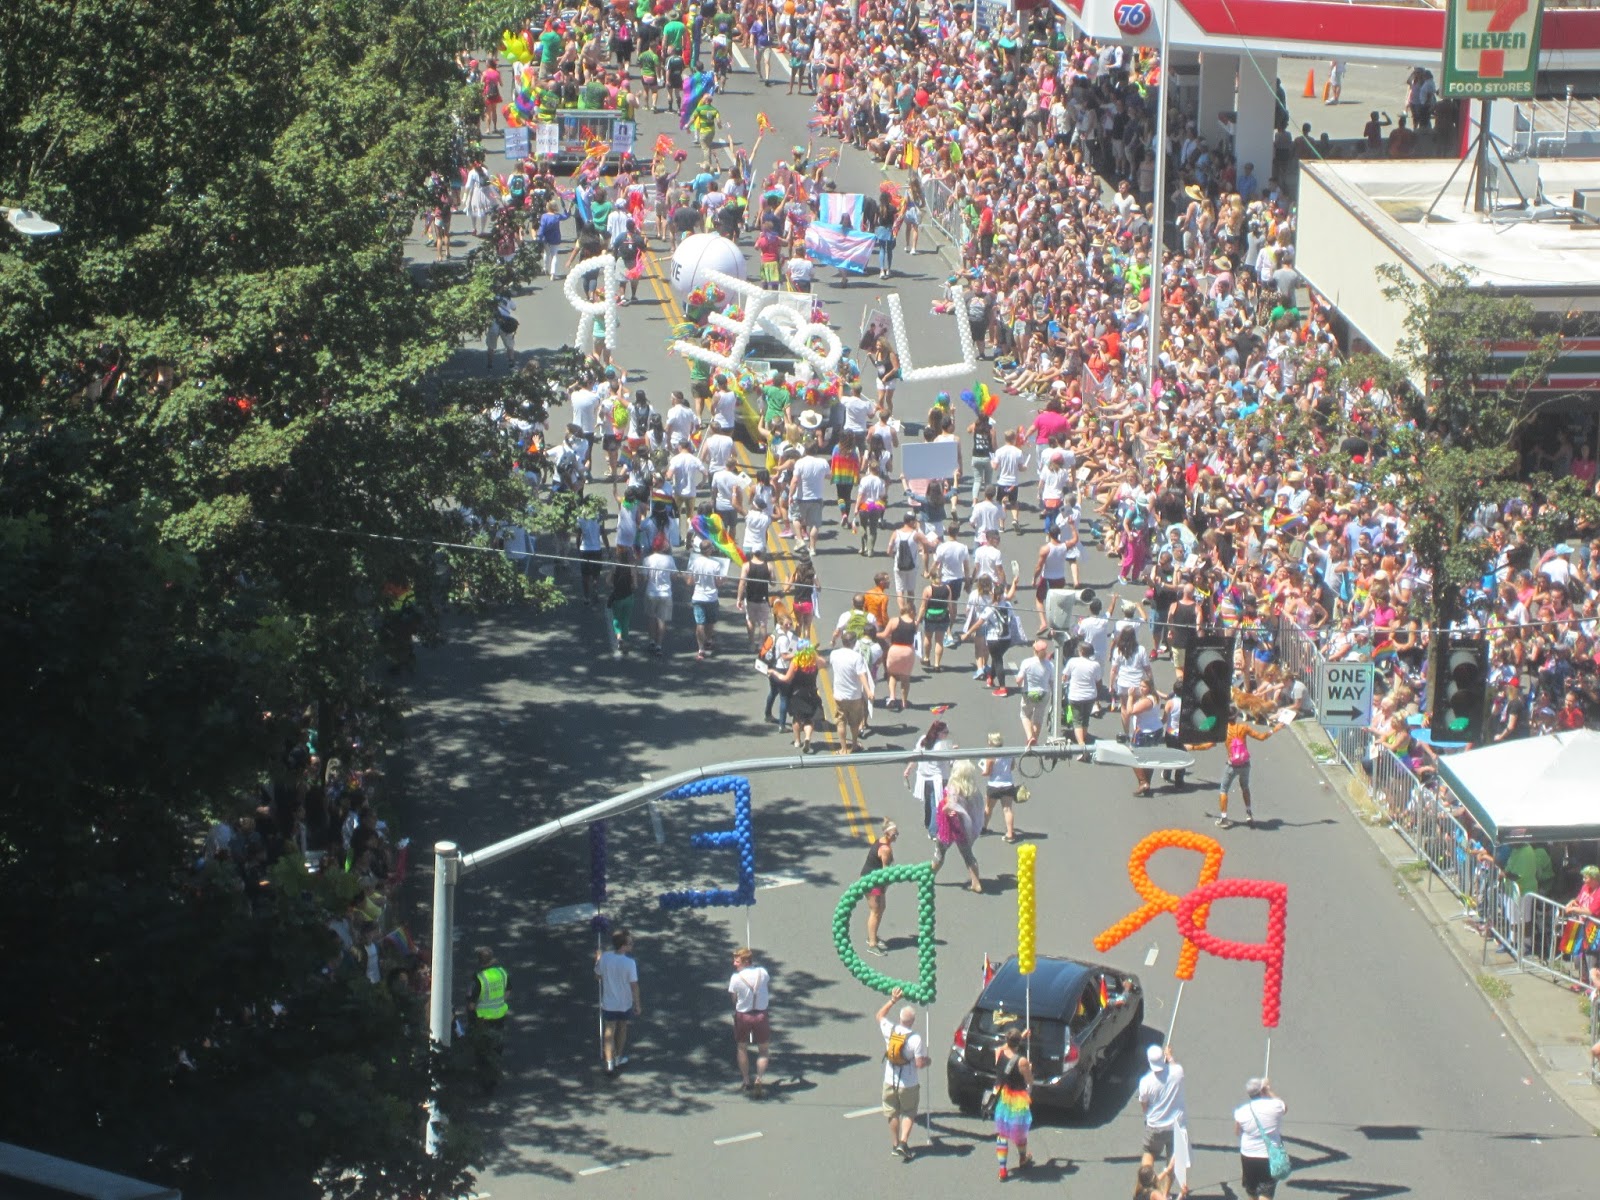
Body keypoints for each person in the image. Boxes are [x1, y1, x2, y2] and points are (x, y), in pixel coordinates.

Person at [876, 987, 931, 1161]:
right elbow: (919, 1064)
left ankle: (894, 1144)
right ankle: (903, 1142)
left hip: (889, 1079)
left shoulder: (890, 1029)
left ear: (900, 1019)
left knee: (892, 1112)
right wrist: (928, 1061)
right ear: (913, 1021)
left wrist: (893, 1000)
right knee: (908, 1111)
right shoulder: (915, 1039)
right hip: (908, 1083)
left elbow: (879, 1015)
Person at [1214, 711, 1284, 828]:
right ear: (1236, 716)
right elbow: (1261, 737)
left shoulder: (1223, 730)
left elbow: (1211, 741)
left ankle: (1224, 818)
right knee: (1245, 787)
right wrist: (1274, 729)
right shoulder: (1243, 727)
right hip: (1245, 764)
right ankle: (1248, 813)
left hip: (1232, 765)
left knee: (1224, 790)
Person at [1138, 1043, 1188, 1191]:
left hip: (1155, 1126)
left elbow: (1144, 1106)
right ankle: (1165, 1194)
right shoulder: (1177, 1072)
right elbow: (1174, 1067)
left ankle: (1146, 1188)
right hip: (1176, 1127)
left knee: (1149, 1152)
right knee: (1172, 1162)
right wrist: (1169, 1056)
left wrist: (1149, 1114)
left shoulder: (1145, 1082)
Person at [931, 760, 984, 893]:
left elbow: (950, 805)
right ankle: (976, 882)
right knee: (968, 855)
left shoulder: (953, 787)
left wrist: (944, 808)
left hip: (950, 827)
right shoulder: (971, 788)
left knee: (940, 852)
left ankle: (930, 876)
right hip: (963, 827)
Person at [595, 927, 641, 1074]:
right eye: (630, 943)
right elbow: (634, 985)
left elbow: (598, 976)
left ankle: (609, 1063)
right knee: (622, 1028)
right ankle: (618, 1057)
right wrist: (637, 1004)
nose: (632, 945)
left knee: (609, 1031)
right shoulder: (629, 963)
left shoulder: (605, 957)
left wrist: (598, 960)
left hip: (609, 1003)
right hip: (624, 1004)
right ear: (623, 946)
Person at [1234, 1077, 1288, 1199]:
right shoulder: (1275, 1106)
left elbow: (1237, 1131)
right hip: (1269, 1155)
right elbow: (1284, 1107)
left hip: (1248, 1155)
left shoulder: (1241, 1111)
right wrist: (1268, 1091)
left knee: (1251, 1191)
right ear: (1262, 1090)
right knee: (1266, 1192)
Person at [728, 947, 772, 1095]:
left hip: (743, 1016)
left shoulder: (735, 978)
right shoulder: (762, 972)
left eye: (737, 961)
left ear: (746, 962)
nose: (734, 963)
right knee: (763, 1050)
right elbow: (765, 986)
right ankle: (759, 1078)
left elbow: (734, 998)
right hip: (761, 1015)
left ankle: (746, 1081)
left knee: (742, 1047)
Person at [993, 1029, 1035, 1181]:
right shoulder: (1022, 1061)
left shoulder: (999, 1052)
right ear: (1018, 1043)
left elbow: (1006, 1047)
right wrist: (1029, 1069)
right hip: (1017, 1099)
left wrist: (1020, 1036)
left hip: (1004, 1097)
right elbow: (1029, 1081)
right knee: (1020, 1131)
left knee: (1002, 1134)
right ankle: (1023, 1158)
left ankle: (1002, 1169)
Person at [829, 630, 874, 754]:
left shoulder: (834, 654)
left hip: (839, 694)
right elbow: (862, 675)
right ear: (854, 642)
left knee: (840, 722)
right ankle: (854, 745)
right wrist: (868, 691)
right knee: (854, 723)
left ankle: (843, 748)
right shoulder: (857, 657)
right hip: (854, 696)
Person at [862, 819, 898, 956]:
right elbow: (885, 872)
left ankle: (873, 936)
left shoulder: (882, 841)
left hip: (875, 880)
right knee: (875, 911)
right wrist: (888, 883)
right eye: (894, 834)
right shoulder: (885, 849)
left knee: (881, 908)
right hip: (872, 883)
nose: (896, 836)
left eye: (897, 833)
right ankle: (872, 944)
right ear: (887, 834)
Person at [982, 732, 1021, 842]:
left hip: (994, 786)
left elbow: (988, 772)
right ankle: (1010, 833)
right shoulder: (1009, 753)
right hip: (1007, 785)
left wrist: (983, 772)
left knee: (988, 808)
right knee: (1007, 809)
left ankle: (983, 828)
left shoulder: (991, 755)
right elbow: (1012, 768)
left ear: (991, 742)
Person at [1015, 638, 1054, 748]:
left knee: (1025, 714)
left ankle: (1030, 737)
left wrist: (1019, 685)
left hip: (1030, 692)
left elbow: (1019, 679)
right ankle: (1035, 741)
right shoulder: (1050, 665)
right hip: (1043, 693)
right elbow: (1052, 681)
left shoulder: (1027, 662)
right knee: (1038, 717)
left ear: (1034, 650)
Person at [468, 945, 509, 1025]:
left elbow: (471, 1005)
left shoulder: (479, 978)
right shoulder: (501, 973)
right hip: (500, 1015)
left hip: (483, 1019)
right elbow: (508, 991)